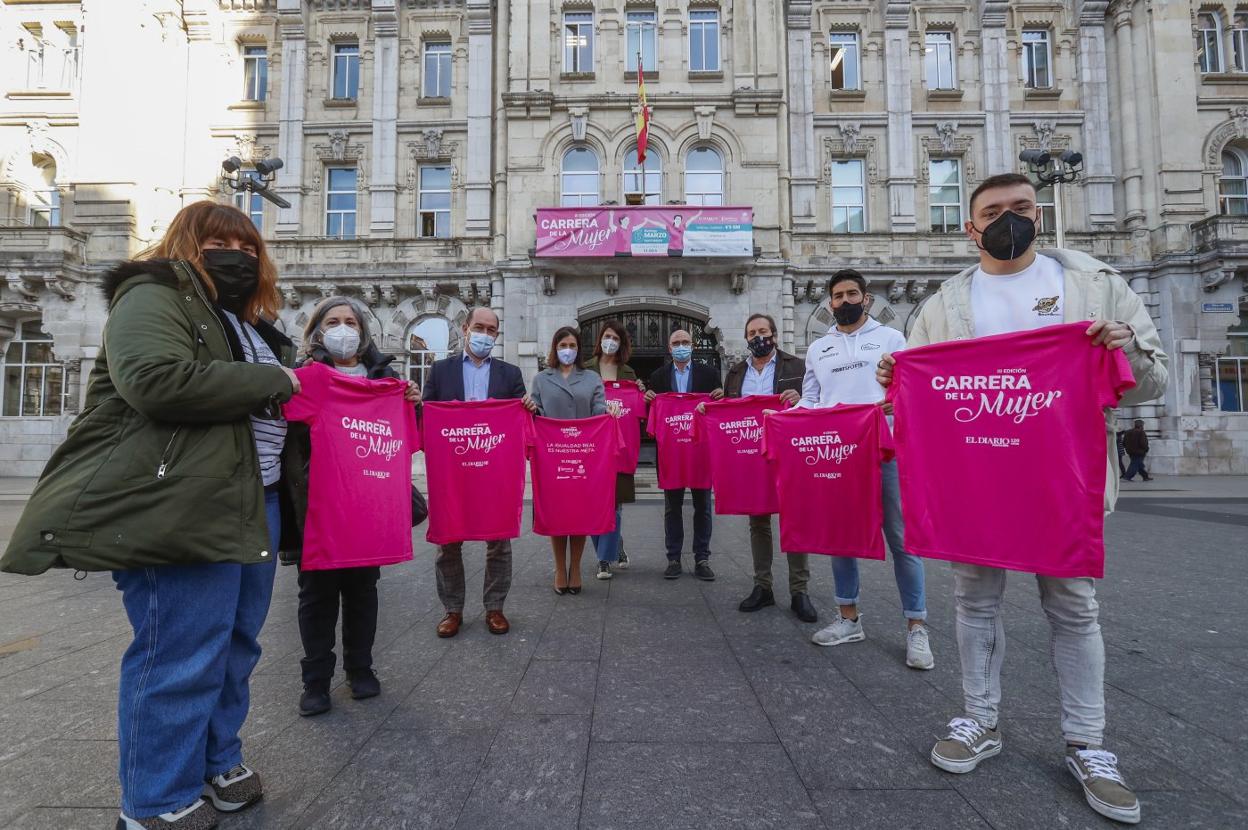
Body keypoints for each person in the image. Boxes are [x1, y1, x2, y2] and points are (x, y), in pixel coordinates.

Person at [1, 201, 302, 829]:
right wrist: (276, 382)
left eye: (249, 249)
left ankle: (218, 760)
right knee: (179, 652)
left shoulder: (250, 323)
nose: (238, 257)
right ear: (186, 245)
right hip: (182, 502)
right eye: (220, 243)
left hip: (255, 501)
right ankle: (155, 802)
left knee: (236, 646)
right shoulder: (153, 294)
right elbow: (154, 381)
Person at [877, 173, 1167, 825]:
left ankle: (1088, 745)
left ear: (1040, 213)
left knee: (1072, 605)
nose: (1010, 219)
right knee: (974, 600)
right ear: (970, 226)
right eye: (994, 211)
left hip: (1061, 479)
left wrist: (1125, 350)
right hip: (976, 481)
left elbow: (1151, 379)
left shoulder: (1090, 283)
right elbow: (916, 400)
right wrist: (896, 379)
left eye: (1022, 208)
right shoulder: (943, 304)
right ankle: (980, 720)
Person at [287, 296, 420, 717]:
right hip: (321, 506)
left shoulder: (386, 378)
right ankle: (316, 681)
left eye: (350, 321)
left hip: (368, 505)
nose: (343, 328)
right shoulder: (312, 378)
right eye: (333, 321)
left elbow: (409, 439)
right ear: (317, 332)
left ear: (363, 333)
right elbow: (286, 425)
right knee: (317, 596)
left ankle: (361, 669)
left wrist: (411, 402)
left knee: (364, 591)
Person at [799, 269, 933, 669]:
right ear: (829, 303)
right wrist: (781, 417)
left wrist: (899, 403)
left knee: (901, 539)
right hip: (838, 454)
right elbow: (811, 399)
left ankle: (916, 626)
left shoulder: (891, 340)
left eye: (851, 293)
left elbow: (911, 388)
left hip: (887, 451)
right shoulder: (818, 348)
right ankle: (848, 618)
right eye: (837, 296)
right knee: (842, 538)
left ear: (866, 299)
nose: (844, 301)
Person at [422, 307, 534, 638]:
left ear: (497, 335)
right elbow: (427, 415)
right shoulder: (440, 371)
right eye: (479, 327)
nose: (485, 334)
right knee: (448, 539)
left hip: (494, 468)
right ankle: (452, 609)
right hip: (453, 470)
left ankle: (495, 607)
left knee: (498, 539)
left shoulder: (509, 373)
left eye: (491, 330)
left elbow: (521, 418)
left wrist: (528, 405)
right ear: (465, 328)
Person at [721, 313, 815, 621]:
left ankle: (799, 590)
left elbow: (816, 402)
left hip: (788, 453)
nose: (758, 336)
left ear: (774, 334)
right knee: (758, 522)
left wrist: (800, 397)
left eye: (763, 331)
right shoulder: (735, 373)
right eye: (752, 332)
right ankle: (763, 586)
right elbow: (730, 412)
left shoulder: (797, 366)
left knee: (796, 518)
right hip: (751, 454)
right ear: (746, 338)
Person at [530, 326, 616, 593]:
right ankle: (559, 568)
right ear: (555, 347)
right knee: (557, 513)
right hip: (552, 457)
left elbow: (599, 409)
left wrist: (608, 412)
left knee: (579, 513)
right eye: (563, 344)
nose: (568, 349)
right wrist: (531, 409)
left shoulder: (591, 378)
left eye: (573, 345)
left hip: (584, 456)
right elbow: (537, 411)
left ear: (579, 349)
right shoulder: (541, 379)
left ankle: (576, 567)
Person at [646, 329, 724, 580]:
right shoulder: (658, 377)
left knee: (703, 507)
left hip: (701, 454)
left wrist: (720, 398)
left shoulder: (710, 375)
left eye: (686, 342)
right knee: (672, 508)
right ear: (669, 348)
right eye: (677, 343)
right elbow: (651, 416)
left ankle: (702, 558)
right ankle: (673, 558)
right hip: (672, 456)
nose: (681, 346)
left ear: (693, 346)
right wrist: (649, 400)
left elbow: (719, 412)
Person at [585, 319, 641, 578]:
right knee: (594, 504)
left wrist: (641, 391)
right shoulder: (585, 370)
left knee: (615, 504)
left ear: (622, 344)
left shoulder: (629, 374)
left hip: (620, 448)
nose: (610, 342)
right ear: (600, 339)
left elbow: (639, 412)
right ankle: (614, 545)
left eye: (616, 338)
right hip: (591, 448)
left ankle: (603, 559)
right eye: (607, 336)